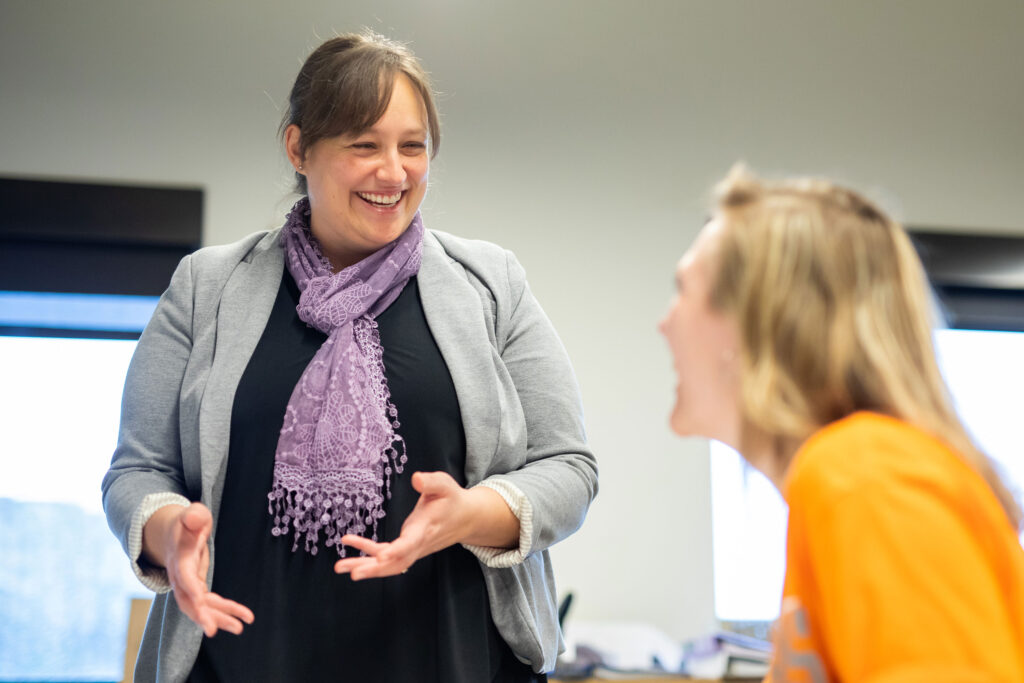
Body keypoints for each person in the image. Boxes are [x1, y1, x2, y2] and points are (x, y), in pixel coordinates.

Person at [102, 31, 597, 683]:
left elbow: (569, 465)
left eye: (412, 146)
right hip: (242, 660)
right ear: (299, 148)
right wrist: (168, 531)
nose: (393, 173)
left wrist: (472, 514)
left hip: (455, 658)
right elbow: (138, 470)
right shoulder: (206, 288)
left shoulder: (491, 283)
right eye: (364, 145)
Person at [659, 165, 1024, 681]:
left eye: (683, 290)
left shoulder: (865, 470)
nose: (664, 321)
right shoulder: (841, 477)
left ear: (759, 321)